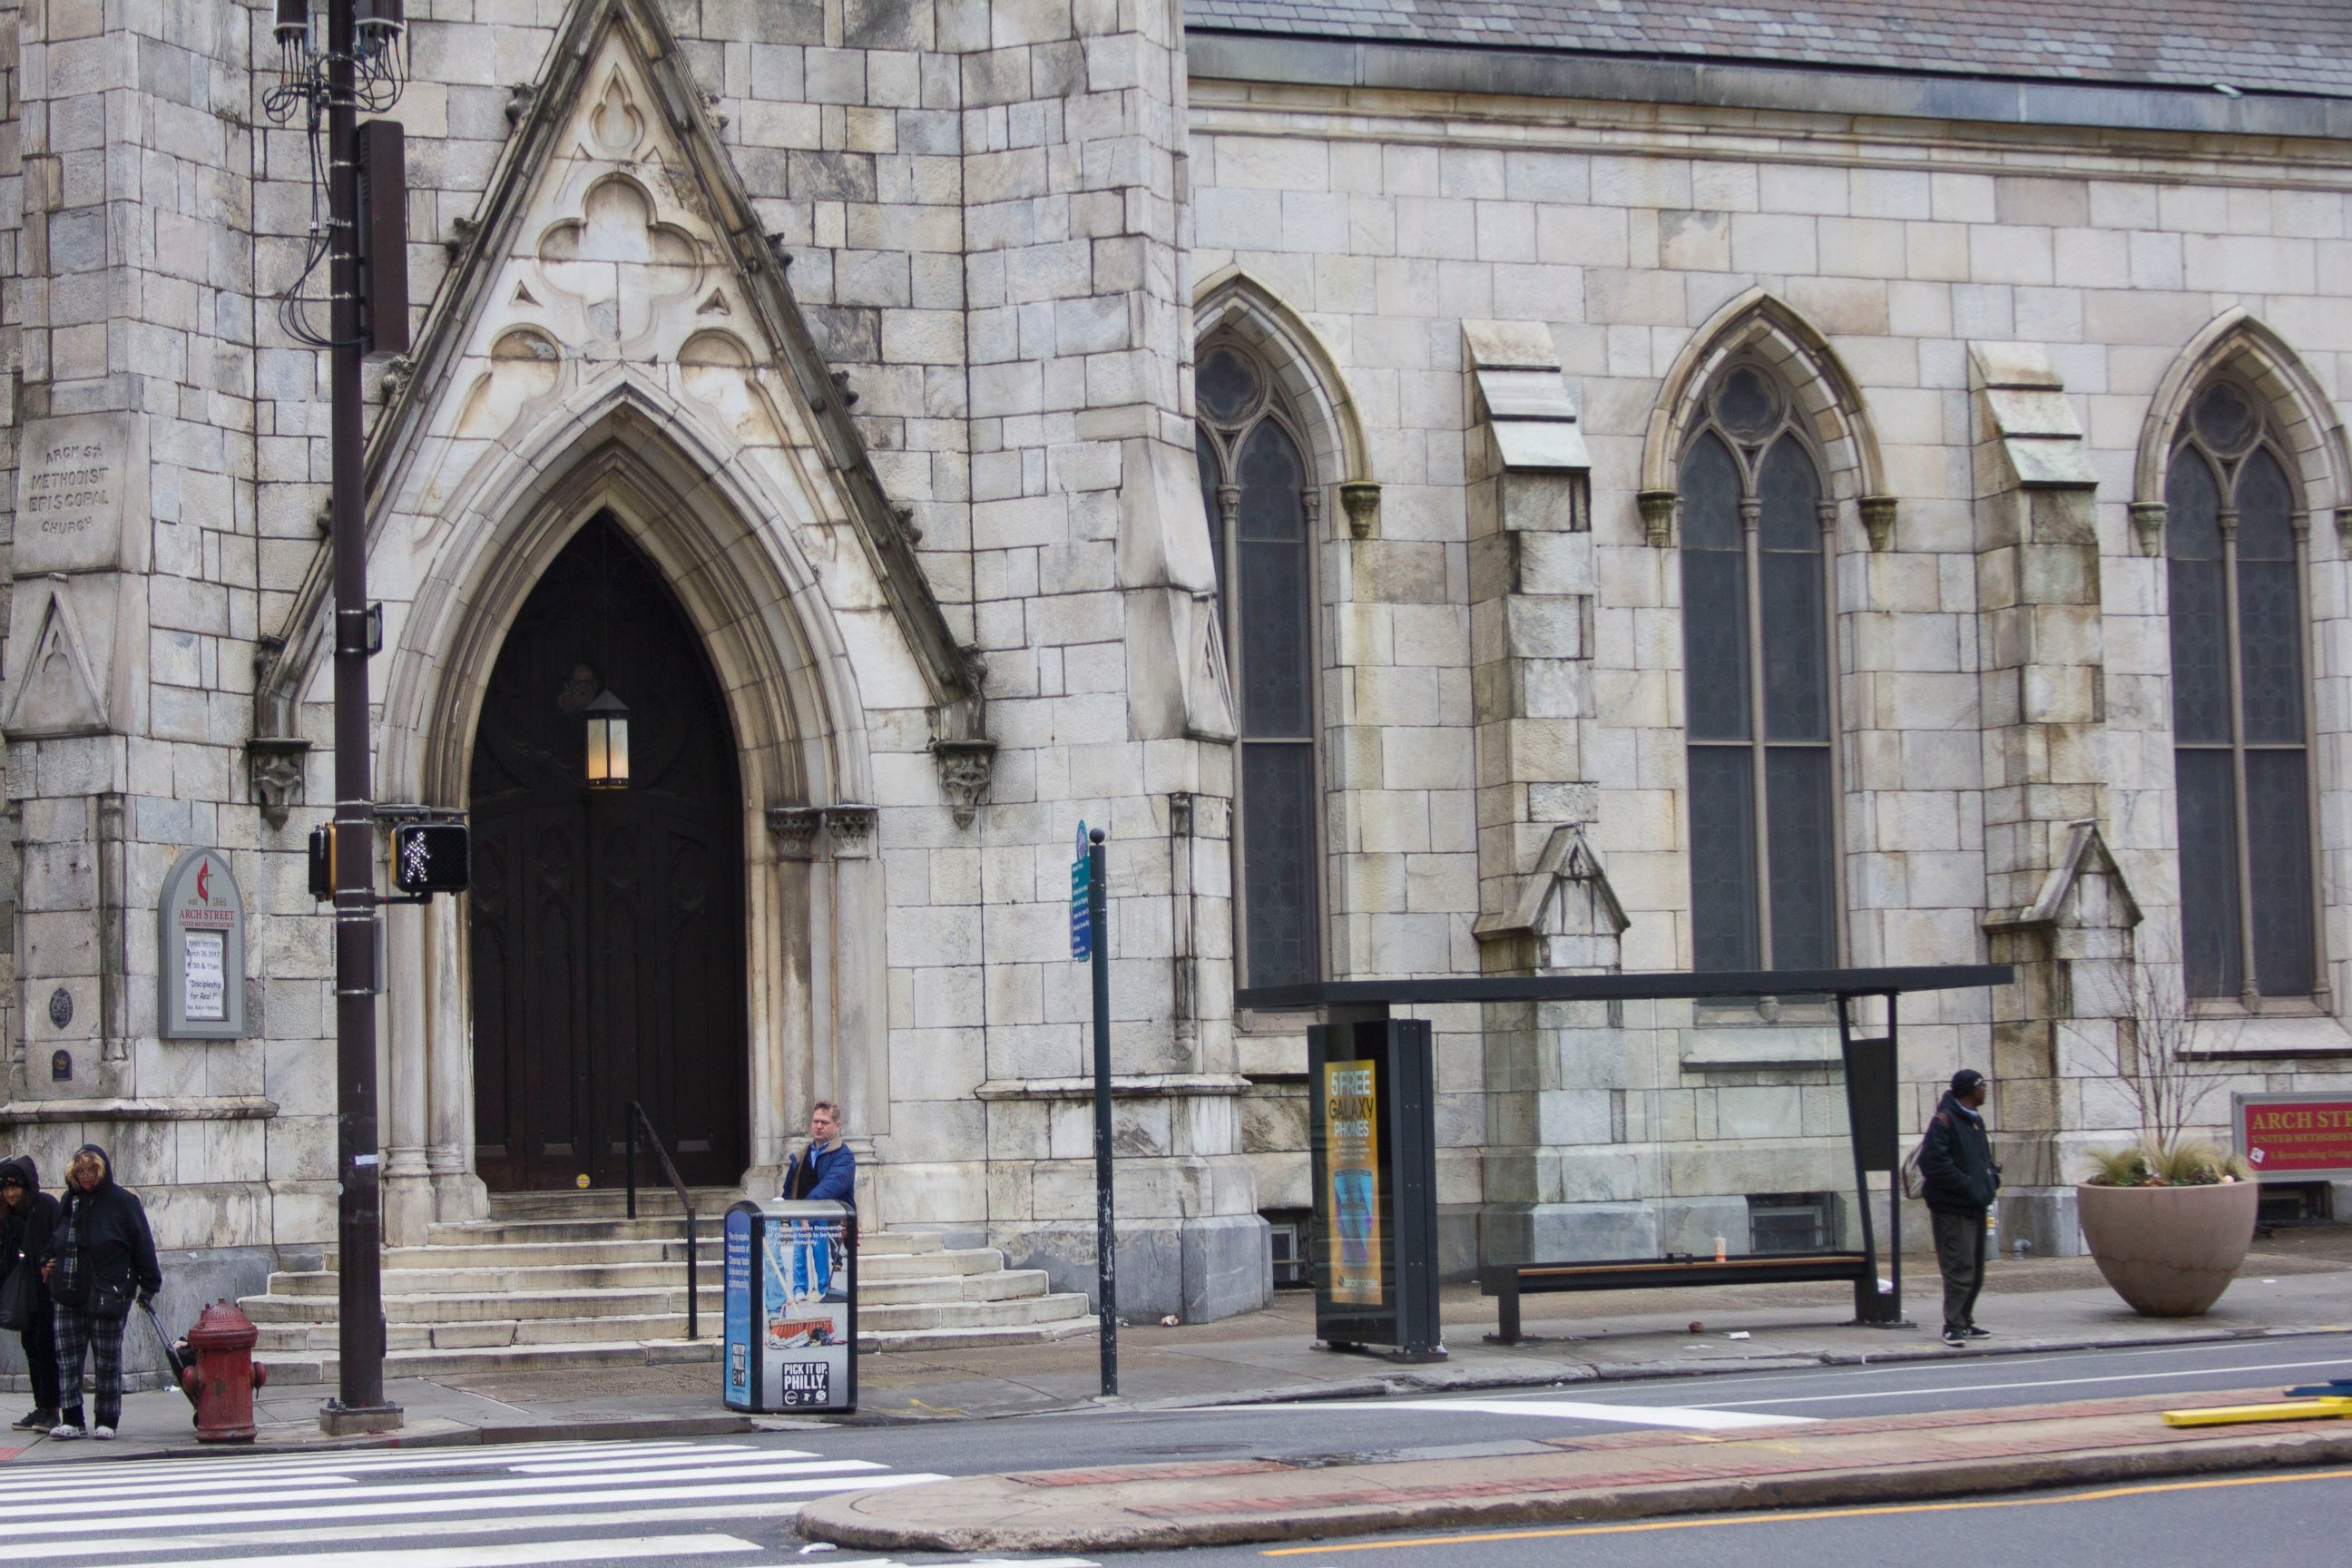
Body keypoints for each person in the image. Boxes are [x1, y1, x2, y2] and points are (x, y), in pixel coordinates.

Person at [39, 1145, 161, 1440]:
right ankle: (72, 1418)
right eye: (80, 1172)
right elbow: (55, 1239)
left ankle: (107, 1419)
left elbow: (142, 1244)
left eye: (91, 1171)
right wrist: (46, 1261)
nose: (86, 1177)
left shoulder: (123, 1203)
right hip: (69, 1291)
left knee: (107, 1359)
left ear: (102, 1171)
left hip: (109, 1292)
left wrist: (148, 1286)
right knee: (68, 1358)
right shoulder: (70, 1200)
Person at [1919, 1068, 2001, 1348]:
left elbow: (1982, 1161)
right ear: (1969, 1090)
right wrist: (1969, 1185)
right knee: (1960, 1266)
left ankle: (1965, 1320)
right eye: (1981, 1086)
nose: (1985, 1090)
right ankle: (1952, 1325)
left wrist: (1991, 1180)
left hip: (1975, 1204)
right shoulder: (1944, 1121)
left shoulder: (1975, 1121)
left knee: (1976, 1268)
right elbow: (1933, 1164)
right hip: (1953, 1207)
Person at [0, 1156, 63, 1432]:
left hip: (46, 1292)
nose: (11, 1193)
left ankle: (52, 1409)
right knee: (32, 1348)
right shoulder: (9, 1216)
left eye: (16, 1187)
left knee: (46, 1348)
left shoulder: (45, 1206)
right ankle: (42, 1406)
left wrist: (52, 1262)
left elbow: (61, 1238)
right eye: (6, 1188)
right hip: (24, 1294)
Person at [780, 1102, 855, 1204]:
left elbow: (829, 1188)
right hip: (800, 1217)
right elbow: (788, 1193)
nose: (819, 1126)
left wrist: (803, 1210)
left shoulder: (845, 1157)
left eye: (824, 1122)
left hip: (832, 1218)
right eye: (815, 1121)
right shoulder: (800, 1157)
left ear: (837, 1126)